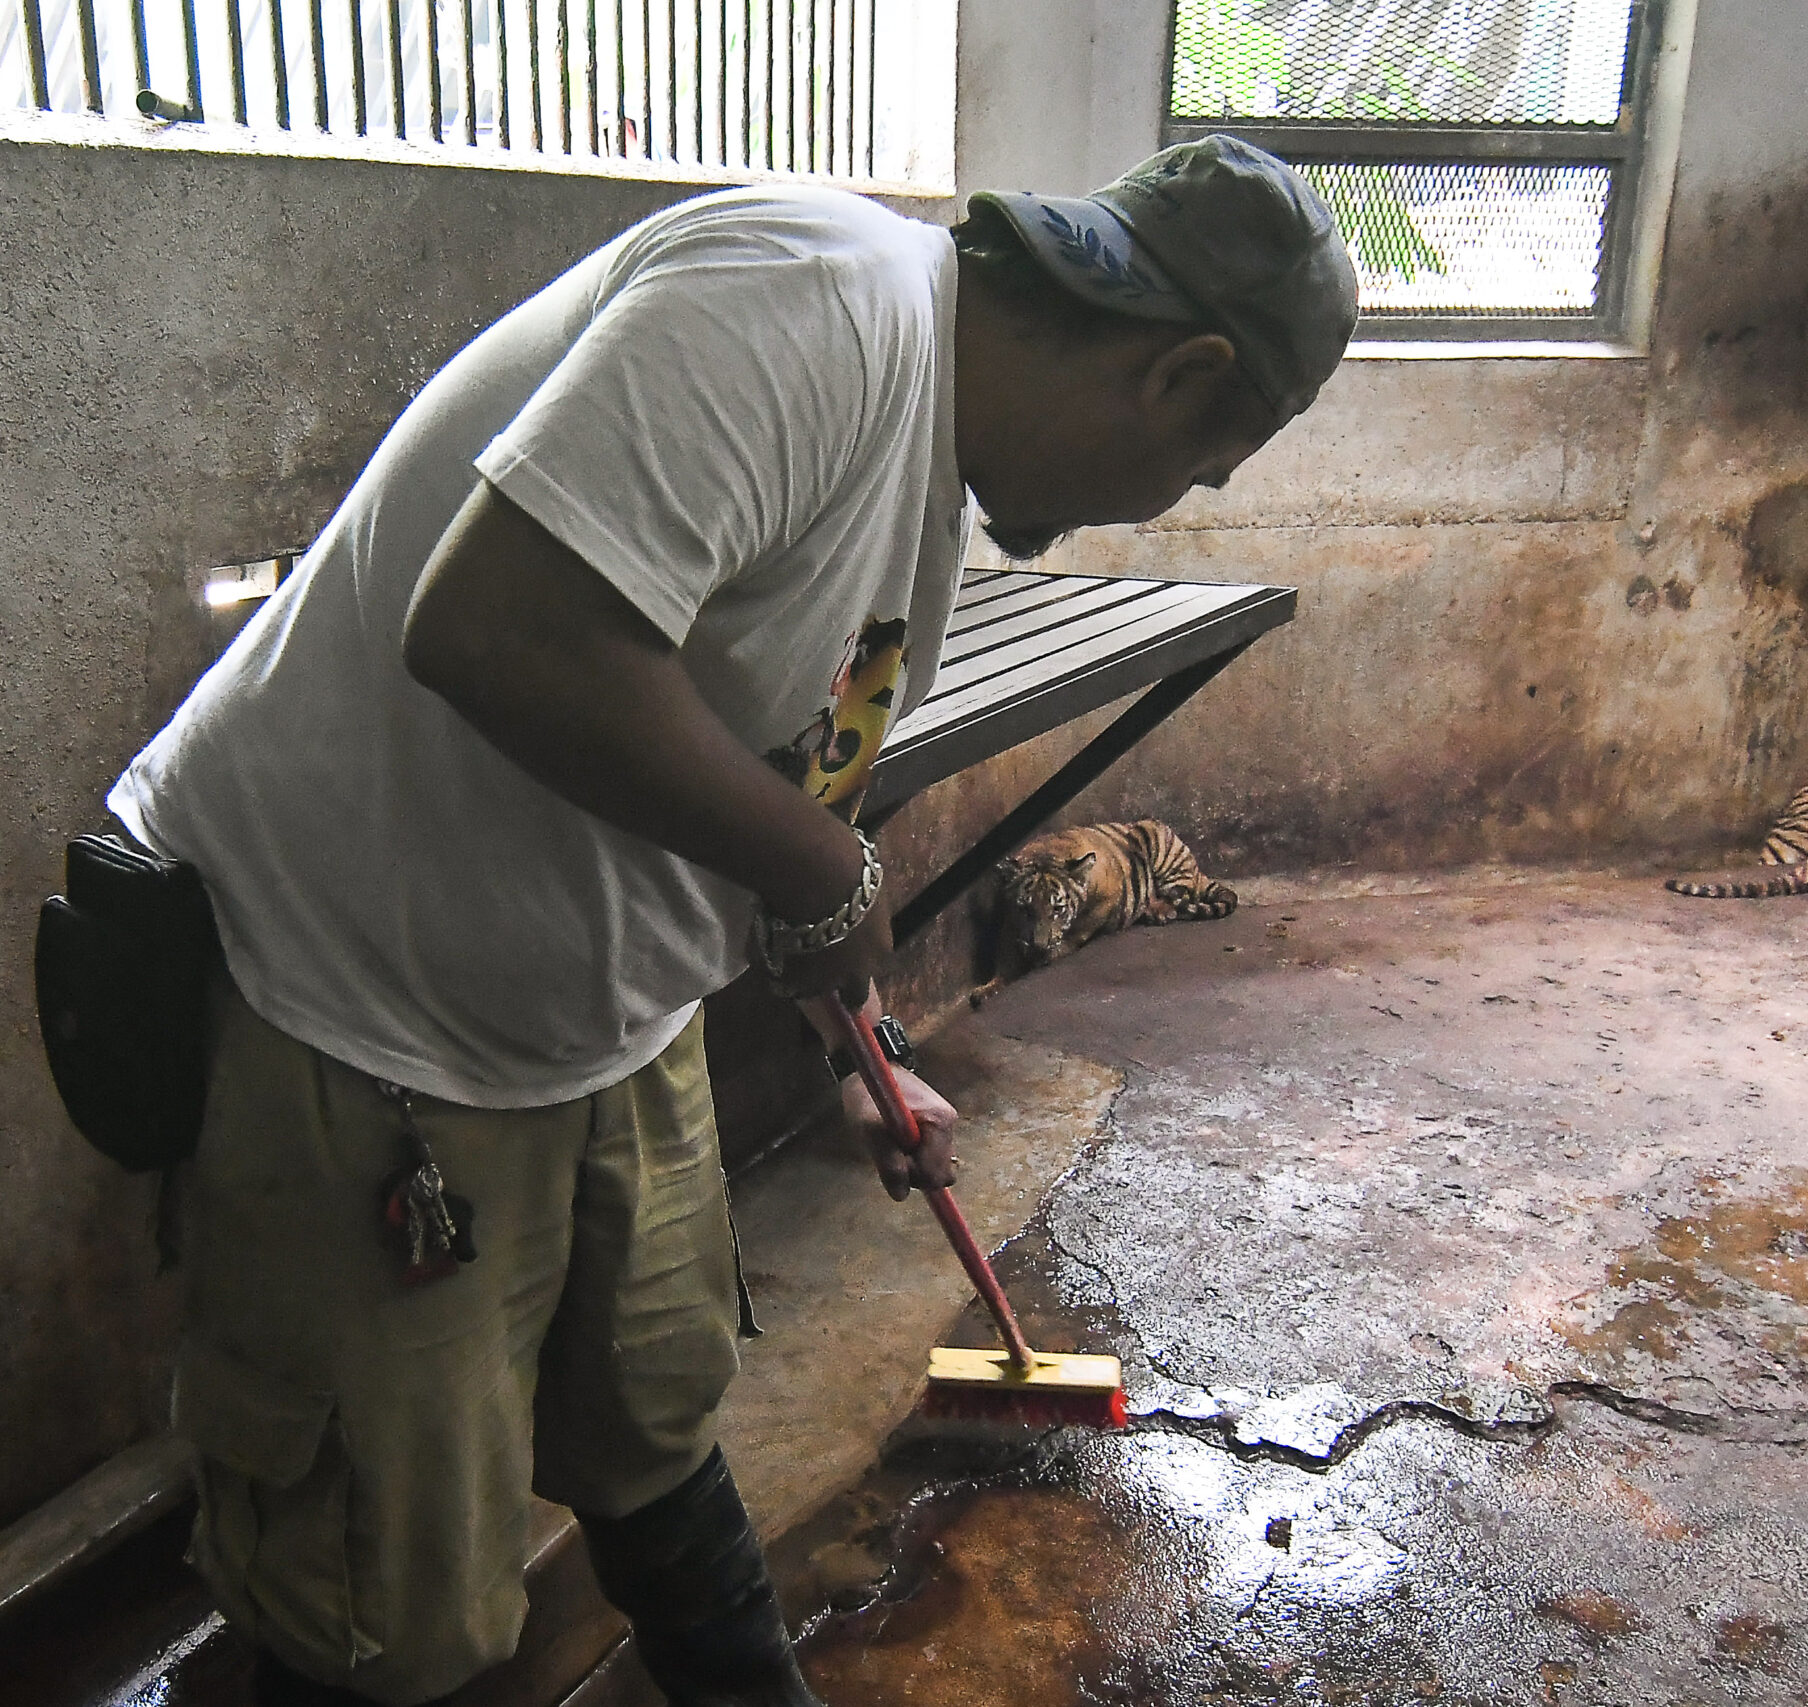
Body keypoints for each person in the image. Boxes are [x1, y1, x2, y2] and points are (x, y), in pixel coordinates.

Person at [105, 135, 1357, 1707]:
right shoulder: (806, 301)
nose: (1156, 505)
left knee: (653, 1420)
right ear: (1182, 376)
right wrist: (822, 877)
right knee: (385, 1609)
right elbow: (496, 626)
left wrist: (868, 1045)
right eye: (1197, 472)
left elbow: (791, 791)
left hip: (593, 1012)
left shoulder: (927, 478)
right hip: (357, 998)